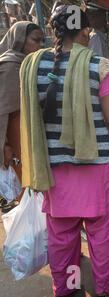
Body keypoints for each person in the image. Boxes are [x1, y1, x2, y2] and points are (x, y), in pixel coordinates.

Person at [19, 5, 109, 297]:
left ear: (53, 30)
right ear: (85, 31)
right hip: (95, 166)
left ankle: (66, 287)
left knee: (63, 236)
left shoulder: (32, 66)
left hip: (54, 167)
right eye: (88, 30)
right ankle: (103, 288)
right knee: (101, 235)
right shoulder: (98, 66)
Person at [0, 21, 44, 200]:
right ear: (19, 41)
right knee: (25, 192)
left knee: (36, 190)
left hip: (31, 136)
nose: (41, 45)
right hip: (16, 138)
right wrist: (5, 145)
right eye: (36, 40)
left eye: (43, 41)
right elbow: (2, 112)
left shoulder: (30, 65)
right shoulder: (10, 67)